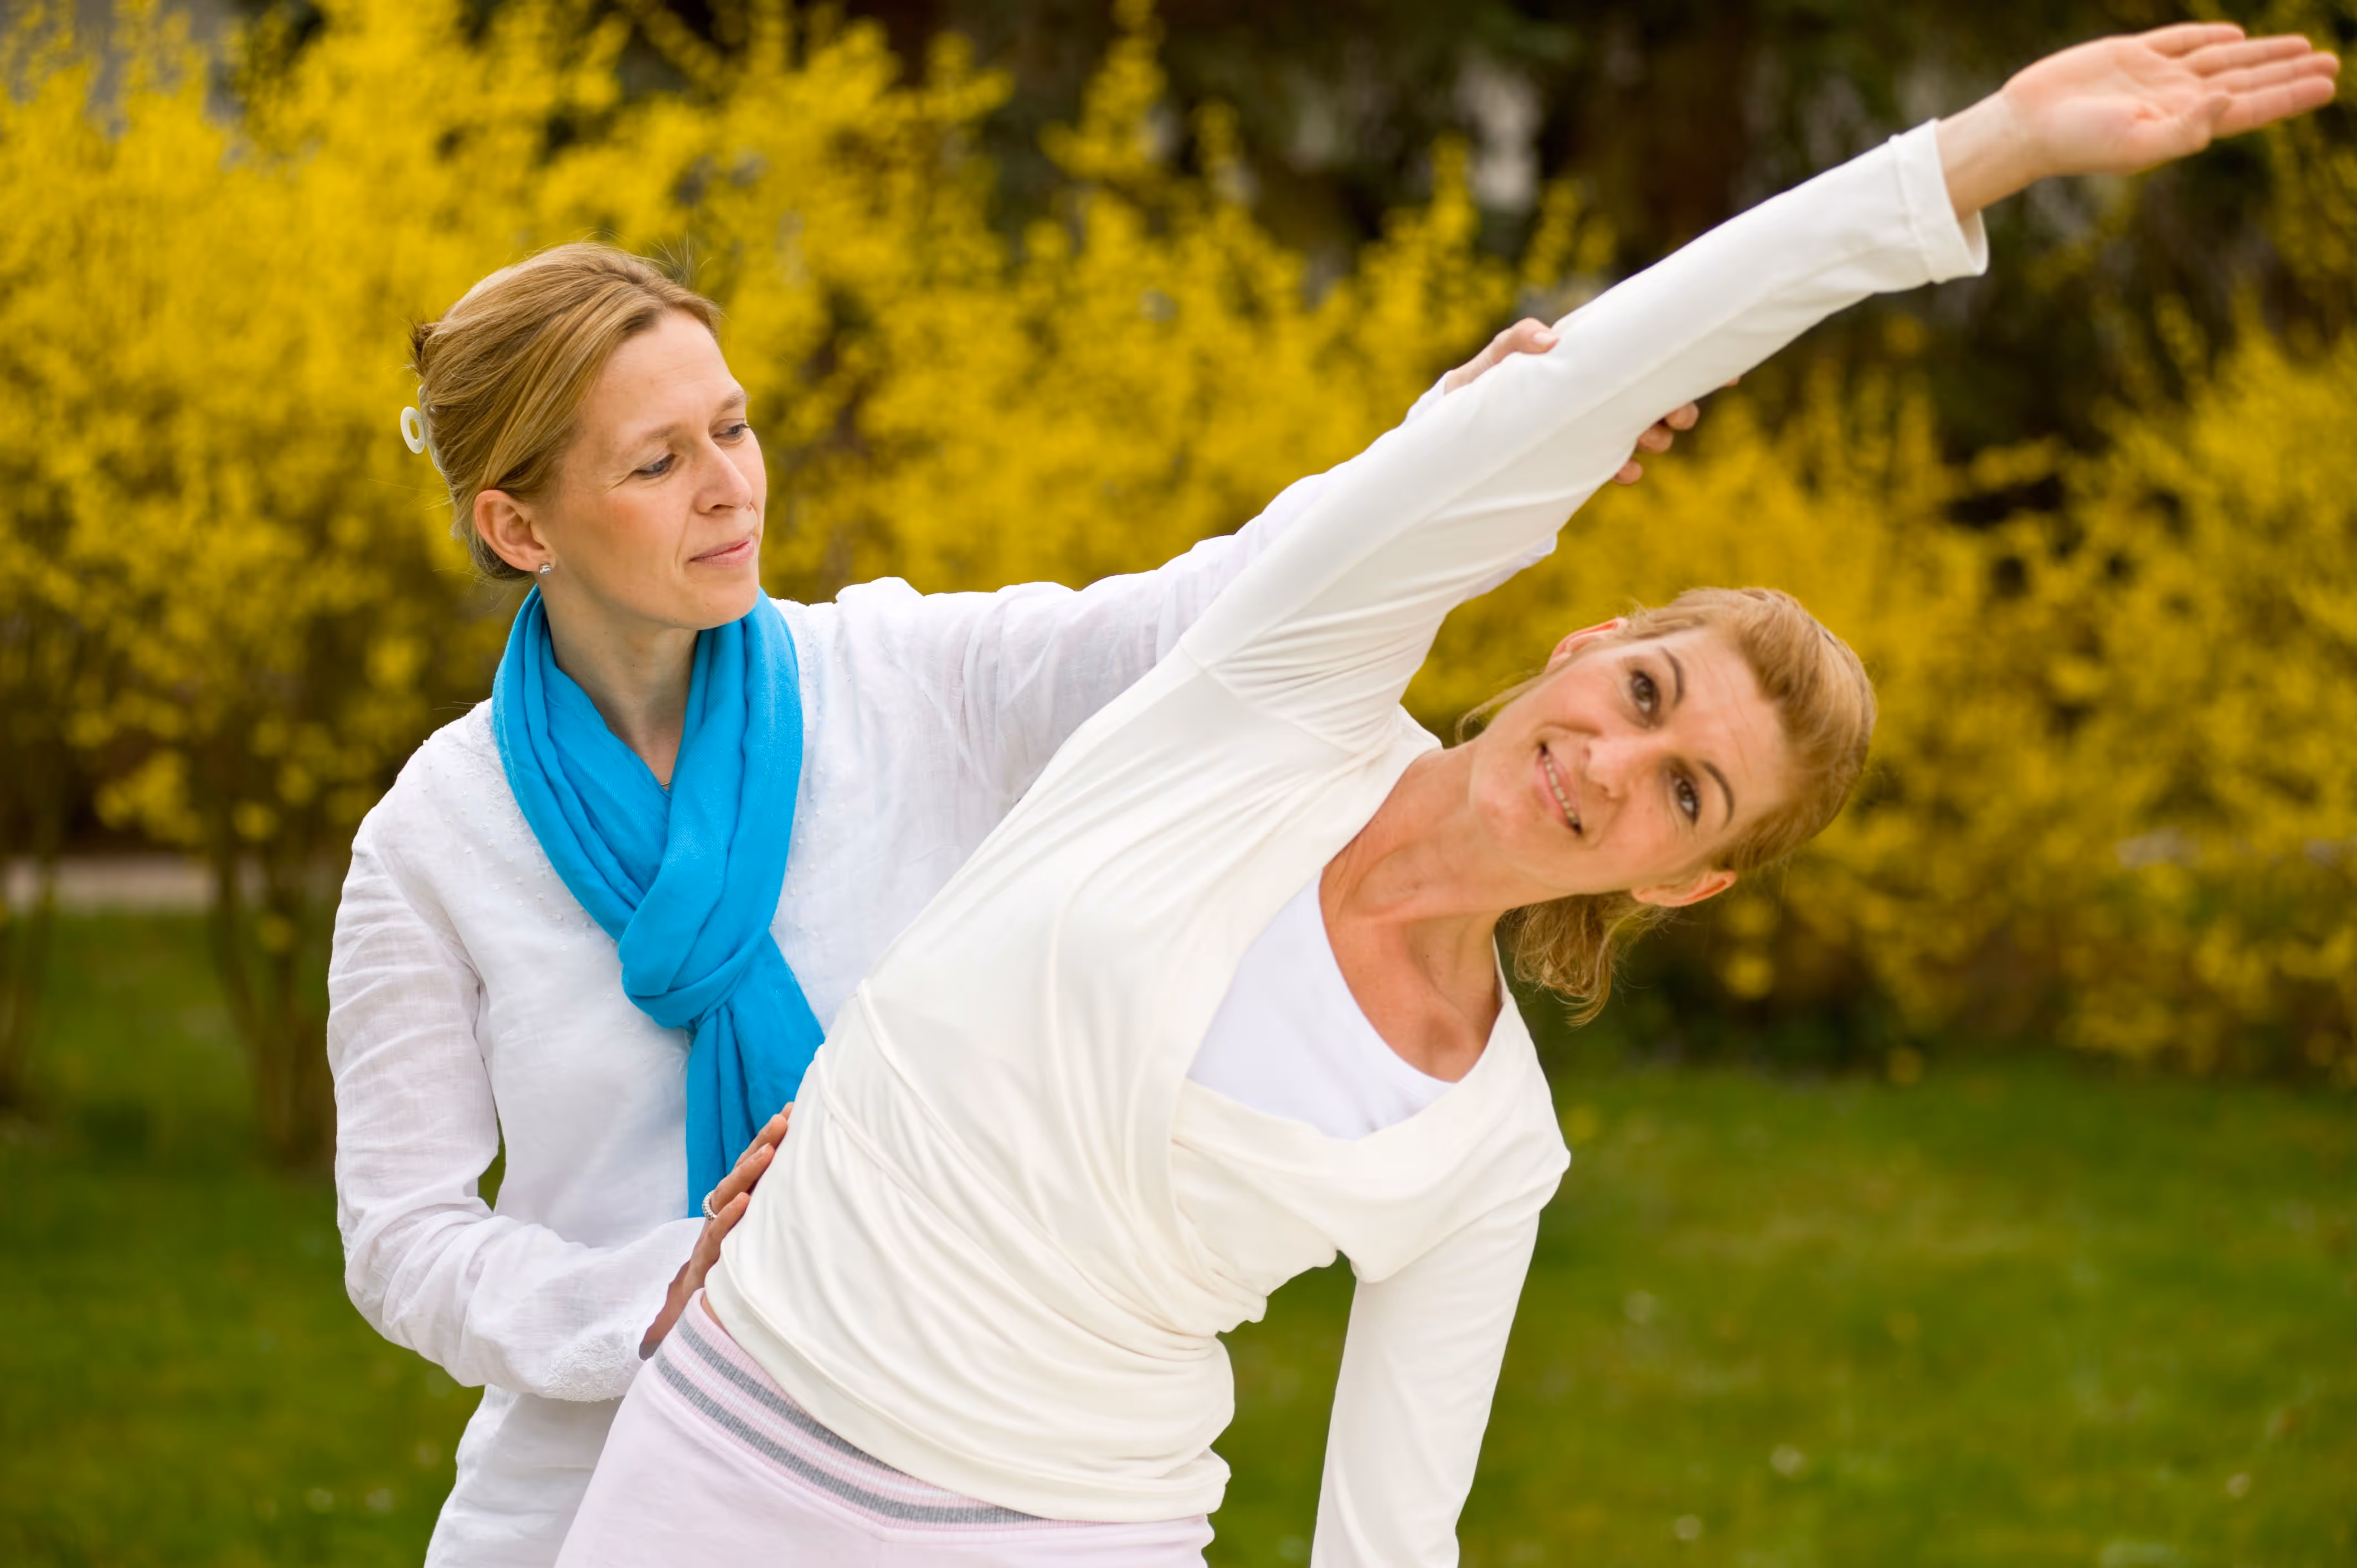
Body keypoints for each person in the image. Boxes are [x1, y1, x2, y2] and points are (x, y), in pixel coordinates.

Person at [544, 22, 2339, 1568]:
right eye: (1643, 694)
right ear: (1585, 639)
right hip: (734, 1418)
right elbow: (1594, 382)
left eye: (1685, 792)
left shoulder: (1485, 1150)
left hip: (1056, 1523)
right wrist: (1980, 154)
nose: (1613, 762)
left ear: (1685, 882)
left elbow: (1391, 1527)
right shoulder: (1275, 685)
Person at [328, 195, 1706, 1568]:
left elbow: (1212, 615)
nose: (730, 486)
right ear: (520, 529)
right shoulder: (434, 844)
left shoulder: (897, 679)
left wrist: (1456, 453)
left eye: (734, 428)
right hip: (582, 1494)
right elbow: (403, 1239)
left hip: (955, 1484)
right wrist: (656, 1288)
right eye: (655, 463)